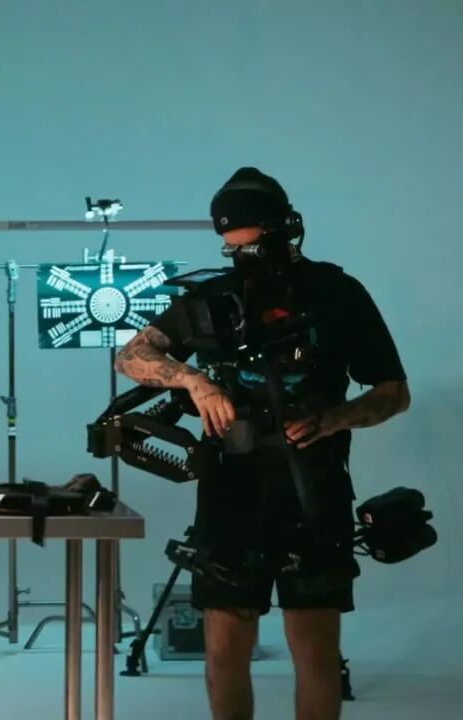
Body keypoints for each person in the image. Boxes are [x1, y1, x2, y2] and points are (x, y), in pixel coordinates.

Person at [114, 167, 409, 720]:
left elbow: (393, 393)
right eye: (232, 248)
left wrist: (335, 418)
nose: (242, 258)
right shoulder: (214, 296)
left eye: (251, 245)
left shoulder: (339, 294)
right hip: (231, 487)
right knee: (224, 651)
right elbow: (131, 355)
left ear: (283, 228)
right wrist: (192, 380)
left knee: (316, 652)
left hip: (313, 486)